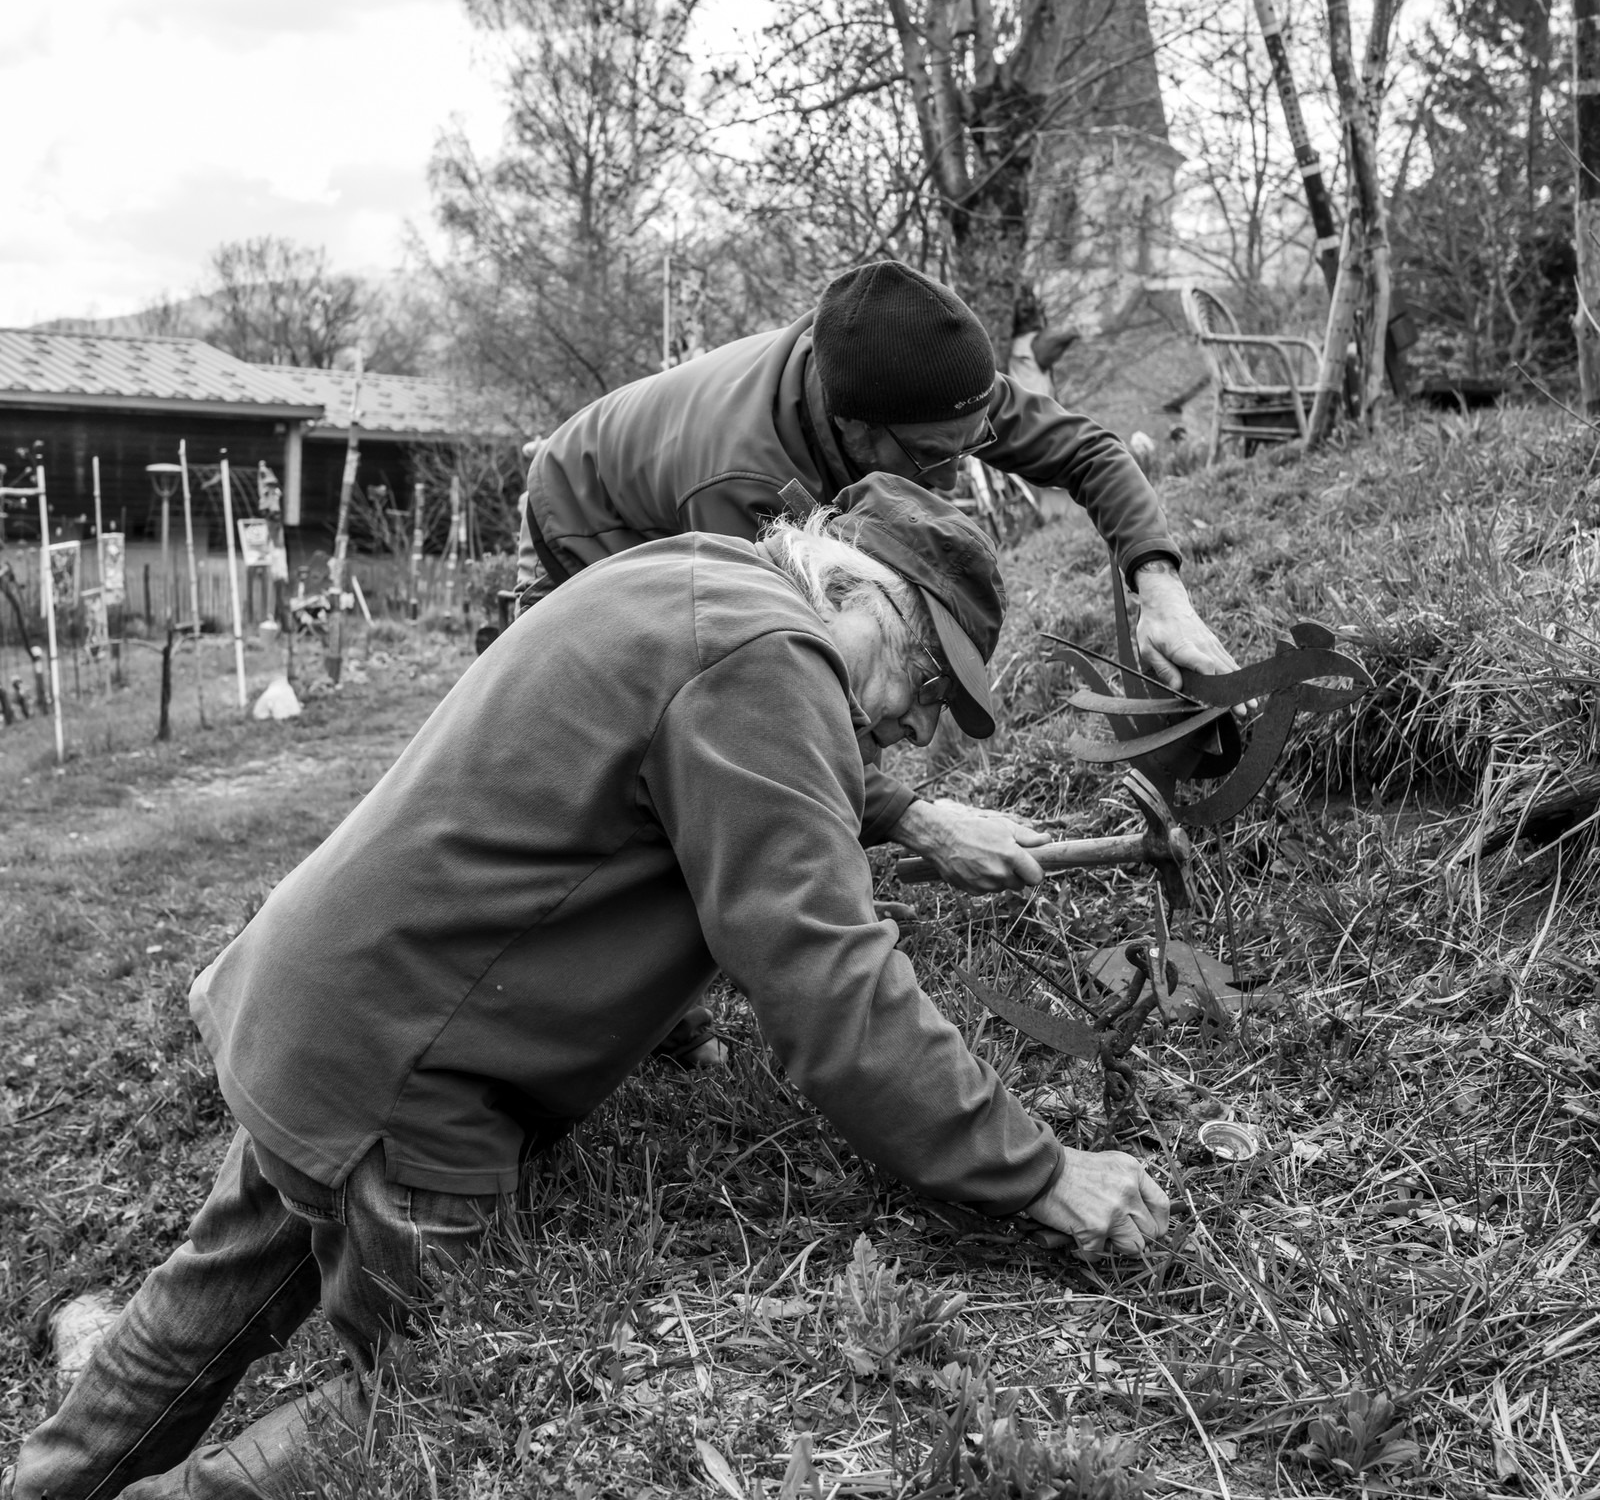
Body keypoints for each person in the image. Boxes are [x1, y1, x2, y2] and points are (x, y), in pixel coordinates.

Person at [9, 477, 1170, 1500]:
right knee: (423, 1405)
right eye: (923, 677)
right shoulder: (770, 664)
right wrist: (1038, 1170)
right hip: (411, 1076)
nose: (912, 722)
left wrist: (901, 810)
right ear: (858, 593)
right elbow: (828, 978)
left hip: (320, 1005)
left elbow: (689, 737)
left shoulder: (702, 574)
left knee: (195, 1318)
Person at [515, 258, 1237, 1062]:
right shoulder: (743, 480)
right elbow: (755, 713)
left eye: (970, 447)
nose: (955, 472)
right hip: (587, 529)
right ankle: (641, 1017)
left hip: (717, 496)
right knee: (637, 775)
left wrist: (1161, 592)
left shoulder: (928, 390)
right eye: (934, 458)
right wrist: (920, 823)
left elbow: (1089, 453)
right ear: (857, 431)